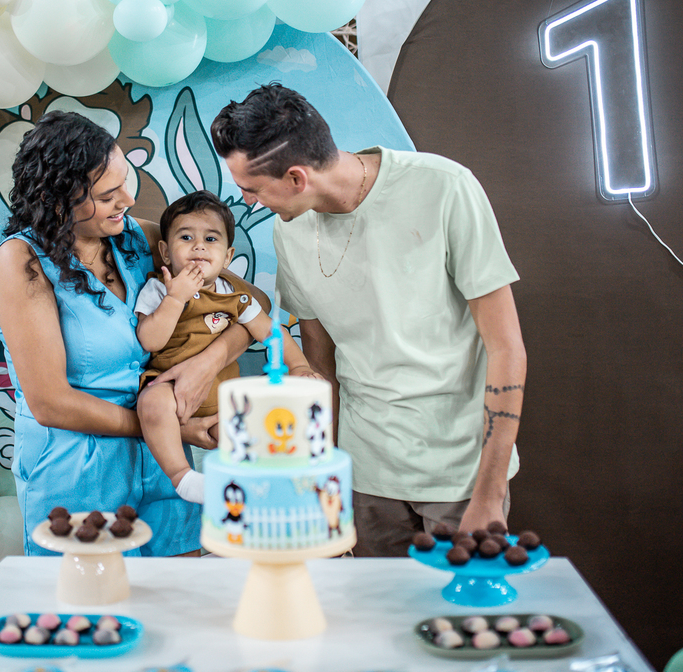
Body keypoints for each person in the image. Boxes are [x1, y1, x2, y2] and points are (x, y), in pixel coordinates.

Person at [210, 83, 527, 556]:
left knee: (455, 603)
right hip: (364, 477)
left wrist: (489, 491)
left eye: (251, 189)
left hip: (460, 475)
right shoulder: (288, 230)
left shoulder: (444, 187)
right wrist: (325, 481)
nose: (248, 201)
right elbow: (320, 364)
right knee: (374, 604)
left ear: (296, 178)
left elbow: (506, 348)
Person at [0, 111, 257, 555]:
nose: (128, 200)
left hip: (164, 469)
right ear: (57, 200)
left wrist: (208, 363)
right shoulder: (22, 263)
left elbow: (250, 304)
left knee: (179, 590)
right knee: (96, 595)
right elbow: (50, 403)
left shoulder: (137, 239)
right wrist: (171, 430)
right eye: (107, 195)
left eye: (124, 182)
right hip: (78, 476)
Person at [134, 190, 321, 504]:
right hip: (170, 390)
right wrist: (176, 298)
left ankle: (269, 491)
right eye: (186, 237)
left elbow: (270, 332)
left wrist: (299, 365)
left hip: (222, 399)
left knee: (252, 439)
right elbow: (150, 340)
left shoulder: (235, 295)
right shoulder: (159, 288)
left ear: (227, 256)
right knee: (151, 402)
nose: (198, 246)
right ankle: (183, 477)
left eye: (210, 239)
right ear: (165, 252)